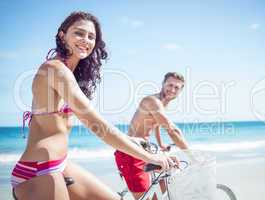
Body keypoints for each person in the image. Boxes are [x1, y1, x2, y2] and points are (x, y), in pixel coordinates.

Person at [10, 11, 176, 200]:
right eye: (79, 33)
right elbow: (96, 125)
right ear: (62, 35)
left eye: (91, 36)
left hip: (60, 164)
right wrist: (150, 158)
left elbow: (97, 123)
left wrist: (134, 142)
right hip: (38, 171)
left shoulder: (70, 73)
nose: (86, 40)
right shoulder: (54, 70)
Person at [114, 72, 189, 200]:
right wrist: (192, 155)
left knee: (170, 166)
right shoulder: (152, 101)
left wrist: (160, 145)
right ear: (163, 84)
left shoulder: (162, 103)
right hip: (131, 153)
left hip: (145, 149)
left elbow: (157, 123)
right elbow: (172, 130)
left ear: (180, 90)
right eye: (170, 85)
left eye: (177, 87)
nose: (172, 89)